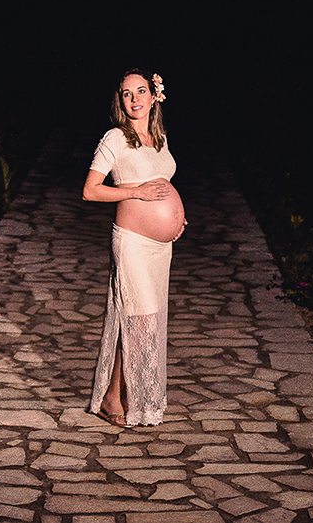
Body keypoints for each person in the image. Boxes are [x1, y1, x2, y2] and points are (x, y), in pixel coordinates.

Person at [82, 70, 186, 427]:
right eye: (127, 94)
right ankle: (117, 397)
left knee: (144, 319)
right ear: (120, 100)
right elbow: (90, 190)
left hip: (160, 248)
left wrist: (175, 219)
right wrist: (136, 191)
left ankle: (118, 395)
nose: (135, 99)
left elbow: (163, 182)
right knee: (140, 319)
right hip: (132, 244)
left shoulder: (159, 138)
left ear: (154, 97)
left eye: (141, 91)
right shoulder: (115, 138)